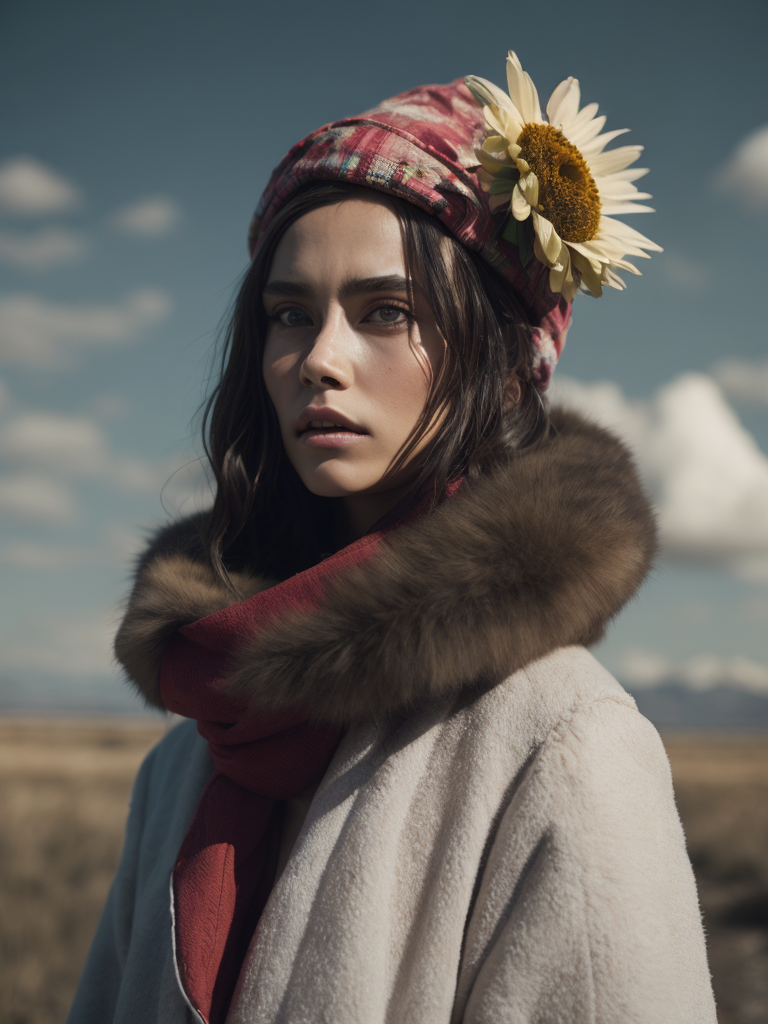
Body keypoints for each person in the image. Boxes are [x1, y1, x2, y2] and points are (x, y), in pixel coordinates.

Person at [68, 51, 717, 1024]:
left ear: (505, 370)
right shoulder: (189, 752)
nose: (318, 359)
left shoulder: (564, 743)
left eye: (385, 312)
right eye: (290, 314)